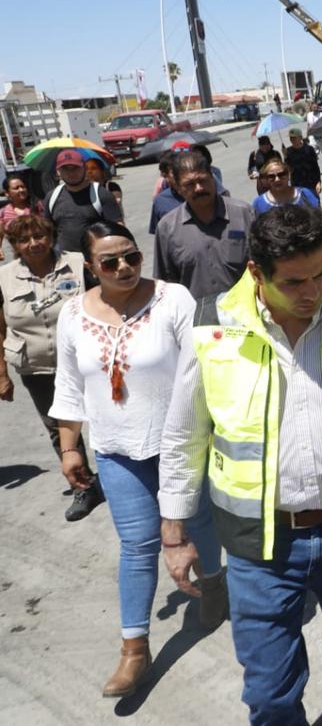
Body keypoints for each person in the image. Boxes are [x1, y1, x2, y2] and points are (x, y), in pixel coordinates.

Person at [158, 205, 322, 724]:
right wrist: (174, 531)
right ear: (257, 273)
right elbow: (184, 434)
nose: (312, 291)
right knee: (270, 692)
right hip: (262, 547)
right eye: (294, 281)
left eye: (321, 273)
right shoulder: (214, 326)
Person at [49, 221, 225, 698]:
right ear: (90, 267)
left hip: (183, 442)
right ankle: (134, 648)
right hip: (116, 449)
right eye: (110, 262)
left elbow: (203, 370)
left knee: (200, 520)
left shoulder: (174, 300)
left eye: (131, 256)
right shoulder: (72, 315)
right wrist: (70, 448)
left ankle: (213, 585)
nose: (124, 267)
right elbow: (69, 386)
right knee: (138, 545)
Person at [0, 213, 102, 520]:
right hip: (37, 368)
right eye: (24, 240)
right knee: (59, 428)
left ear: (51, 236)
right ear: (15, 246)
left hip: (86, 360)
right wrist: (2, 374)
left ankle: (128, 475)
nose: (33, 244)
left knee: (104, 417)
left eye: (39, 236)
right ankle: (84, 485)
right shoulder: (4, 277)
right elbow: (0, 327)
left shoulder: (77, 263)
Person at [154, 153, 256, 299]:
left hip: (246, 313)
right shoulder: (167, 228)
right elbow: (166, 284)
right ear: (177, 187)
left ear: (213, 178)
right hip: (196, 318)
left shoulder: (245, 214)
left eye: (203, 180)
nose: (199, 188)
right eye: (190, 184)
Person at [44, 150, 124, 254]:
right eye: (65, 169)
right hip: (66, 262)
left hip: (98, 261)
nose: (71, 173)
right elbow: (46, 230)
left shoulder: (101, 194)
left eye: (75, 168)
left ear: (84, 168)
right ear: (58, 171)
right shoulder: (52, 197)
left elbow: (118, 228)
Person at [251, 157, 320, 214]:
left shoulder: (306, 195)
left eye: (281, 174)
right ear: (266, 179)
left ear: (288, 174)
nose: (277, 179)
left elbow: (319, 221)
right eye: (271, 176)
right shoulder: (259, 204)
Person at [0, 173, 44, 255]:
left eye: (23, 186)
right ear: (7, 193)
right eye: (16, 188)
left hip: (42, 252)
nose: (21, 190)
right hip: (20, 255)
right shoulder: (4, 212)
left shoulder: (37, 206)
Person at [284, 128, 322, 197]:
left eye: (294, 138)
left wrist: (318, 182)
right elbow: (289, 170)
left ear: (300, 137)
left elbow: (315, 167)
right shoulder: (288, 152)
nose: (292, 140)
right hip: (297, 185)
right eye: (291, 138)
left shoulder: (309, 149)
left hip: (311, 183)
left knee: (314, 205)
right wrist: (285, 157)